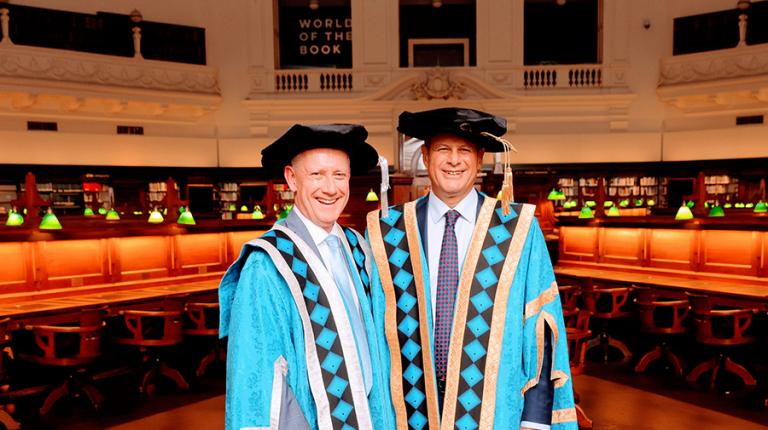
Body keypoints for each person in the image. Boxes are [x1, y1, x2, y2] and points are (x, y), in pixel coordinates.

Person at [366, 108, 577, 430]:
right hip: (408, 408)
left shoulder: (516, 228)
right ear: (424, 156)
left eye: (464, 150)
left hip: (495, 408)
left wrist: (535, 418)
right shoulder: (388, 230)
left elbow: (542, 329)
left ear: (479, 159)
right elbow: (369, 327)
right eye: (442, 150)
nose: (454, 160)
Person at [219, 124, 395, 430]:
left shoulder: (358, 247)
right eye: (317, 175)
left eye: (339, 175)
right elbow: (259, 377)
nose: (330, 188)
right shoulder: (267, 265)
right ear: (292, 178)